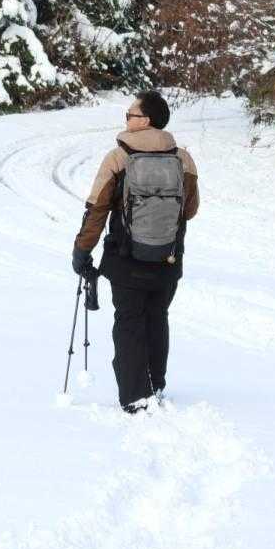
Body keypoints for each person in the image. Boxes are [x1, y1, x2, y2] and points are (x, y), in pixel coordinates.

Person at [71, 91, 200, 413]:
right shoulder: (183, 159)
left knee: (129, 321)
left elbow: (97, 209)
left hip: (126, 258)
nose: (126, 119)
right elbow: (190, 209)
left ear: (146, 120)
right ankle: (155, 386)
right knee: (157, 318)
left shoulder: (118, 158)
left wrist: (82, 250)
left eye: (131, 114)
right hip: (168, 258)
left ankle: (134, 396)